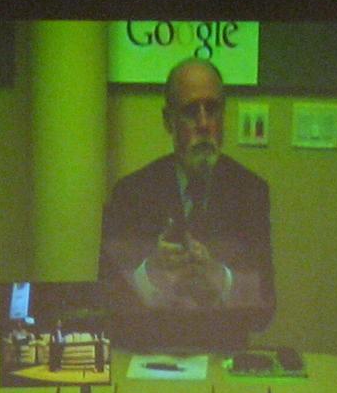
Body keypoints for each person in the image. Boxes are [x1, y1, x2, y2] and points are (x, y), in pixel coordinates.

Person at [99, 58, 273, 347]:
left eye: (213, 110)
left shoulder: (250, 192)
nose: (204, 124)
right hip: (150, 356)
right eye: (191, 112)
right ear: (169, 121)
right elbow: (107, 302)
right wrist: (149, 275)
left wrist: (222, 279)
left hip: (222, 356)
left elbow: (264, 312)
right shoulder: (131, 193)